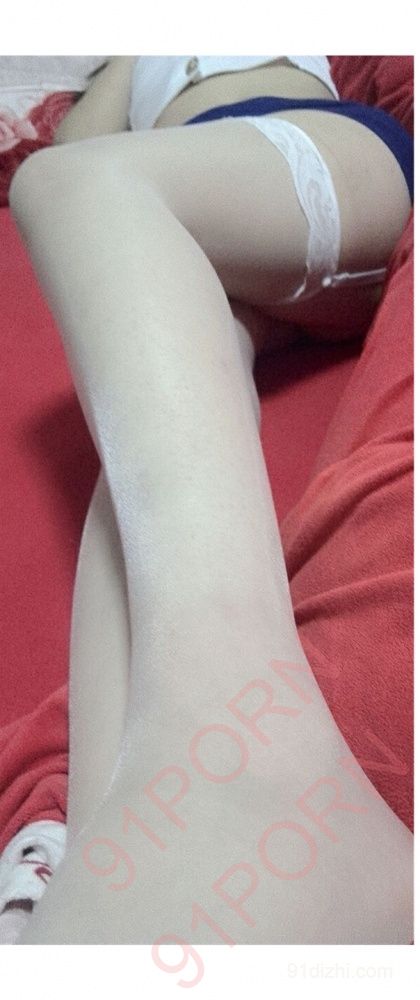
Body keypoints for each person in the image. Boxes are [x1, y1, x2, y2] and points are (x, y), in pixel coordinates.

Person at [7, 55, 413, 945]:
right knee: (141, 434)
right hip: (196, 236)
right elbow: (76, 130)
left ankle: (256, 760)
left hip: (312, 166)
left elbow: (75, 161)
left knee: (67, 188)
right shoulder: (130, 55)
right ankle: (113, 836)